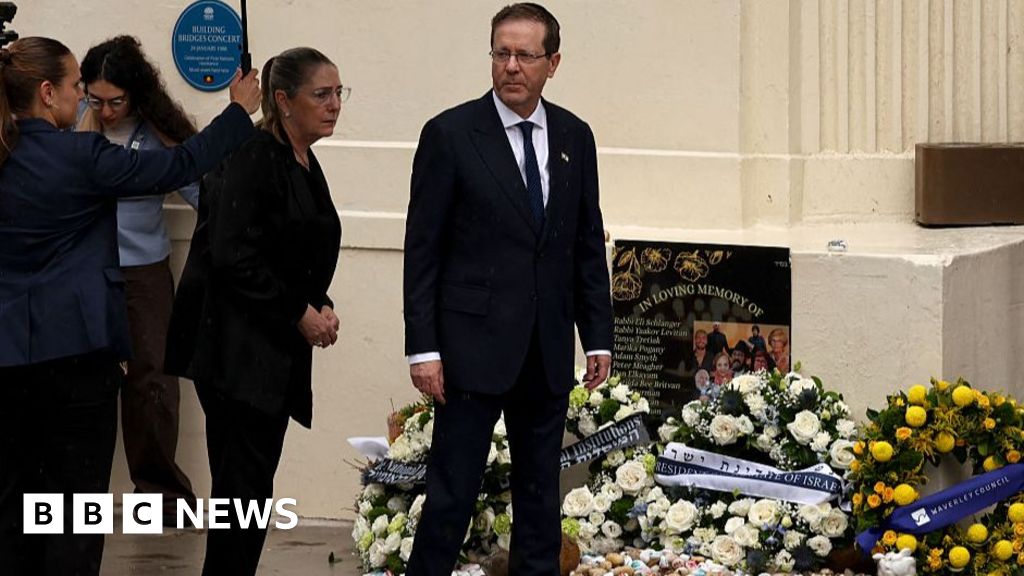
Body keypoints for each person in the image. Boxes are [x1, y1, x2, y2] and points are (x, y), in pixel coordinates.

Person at [0, 36, 260, 576]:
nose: (84, 100)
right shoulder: (80, 155)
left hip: (7, 359)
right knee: (73, 507)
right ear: (47, 94)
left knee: (14, 503)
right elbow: (176, 167)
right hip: (76, 353)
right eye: (76, 87)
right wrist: (237, 113)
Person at [402, 4, 613, 575]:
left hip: (544, 348)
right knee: (451, 492)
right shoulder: (450, 134)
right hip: (470, 348)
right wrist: (424, 348)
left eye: (525, 55)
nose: (512, 66)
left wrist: (598, 337)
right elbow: (423, 249)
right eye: (502, 53)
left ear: (554, 63)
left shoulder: (574, 135)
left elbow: (585, 242)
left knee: (541, 493)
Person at [165, 47, 343, 576]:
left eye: (339, 93)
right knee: (242, 494)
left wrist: (321, 304)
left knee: (250, 493)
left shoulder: (303, 158)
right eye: (322, 94)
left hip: (269, 351)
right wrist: (297, 312)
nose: (334, 105)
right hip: (234, 354)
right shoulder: (253, 154)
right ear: (283, 101)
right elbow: (232, 252)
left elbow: (294, 251)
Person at [77, 35, 197, 517]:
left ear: (136, 94)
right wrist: (84, 126)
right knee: (84, 379)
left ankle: (160, 492)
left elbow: (201, 190)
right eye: (95, 99)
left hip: (144, 269)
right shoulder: (72, 128)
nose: (106, 111)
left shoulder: (154, 133)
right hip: (83, 268)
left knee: (153, 376)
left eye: (116, 101)